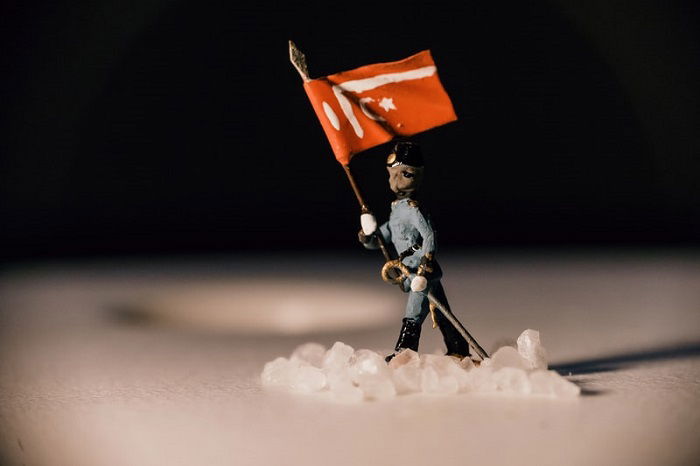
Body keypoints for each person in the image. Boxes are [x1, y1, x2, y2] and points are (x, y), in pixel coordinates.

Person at [358, 141, 472, 362]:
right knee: (441, 310)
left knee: (413, 313)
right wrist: (368, 235)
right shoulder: (397, 210)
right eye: (392, 174)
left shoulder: (413, 209)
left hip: (420, 271)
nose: (395, 180)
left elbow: (429, 236)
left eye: (405, 174)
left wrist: (425, 265)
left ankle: (404, 355)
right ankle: (459, 348)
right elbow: (382, 238)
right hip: (408, 270)